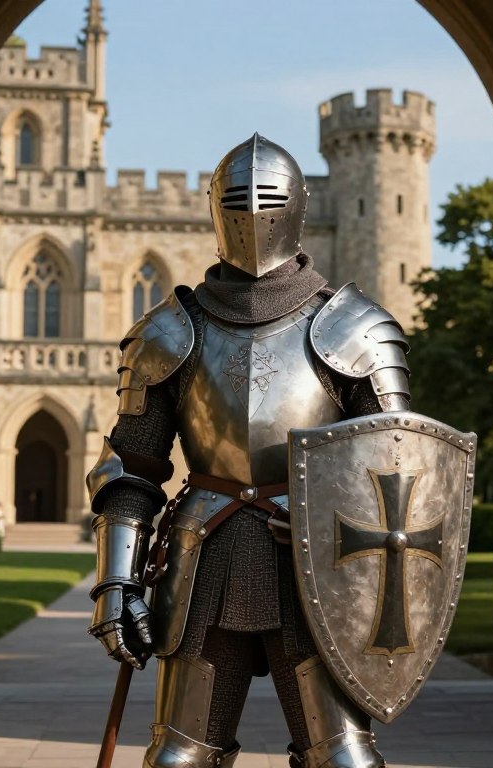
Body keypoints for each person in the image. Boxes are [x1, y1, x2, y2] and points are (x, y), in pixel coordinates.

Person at [86, 133, 410, 767]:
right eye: (238, 202)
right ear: (215, 209)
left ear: (295, 208)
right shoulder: (171, 330)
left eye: (266, 201)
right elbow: (132, 466)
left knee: (342, 759)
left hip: (315, 569)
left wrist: (334, 531)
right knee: (179, 758)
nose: (253, 217)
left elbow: (398, 469)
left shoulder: (355, 328)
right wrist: (116, 582)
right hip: (205, 557)